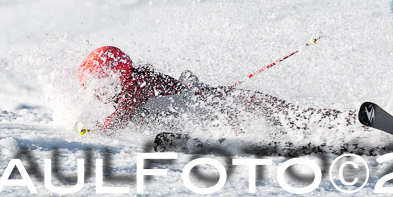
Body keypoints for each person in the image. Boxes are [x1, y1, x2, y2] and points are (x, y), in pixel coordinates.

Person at [78, 46, 356, 135]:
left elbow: (119, 121)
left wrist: (93, 130)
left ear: (116, 75)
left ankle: (351, 121)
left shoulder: (134, 87)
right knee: (290, 117)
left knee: (291, 118)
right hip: (221, 103)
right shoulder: (137, 83)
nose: (97, 91)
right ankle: (351, 122)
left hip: (222, 107)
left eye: (99, 82)